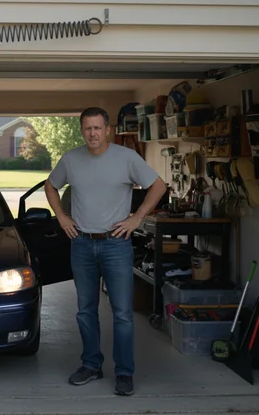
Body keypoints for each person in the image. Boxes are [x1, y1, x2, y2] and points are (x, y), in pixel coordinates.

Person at [44, 107, 166, 397]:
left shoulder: (126, 158)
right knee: (86, 311)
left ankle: (124, 372)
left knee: (122, 313)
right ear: (82, 130)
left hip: (116, 244)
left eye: (98, 128)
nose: (93, 133)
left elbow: (158, 186)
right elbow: (50, 186)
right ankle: (91, 365)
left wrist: (136, 218)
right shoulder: (71, 159)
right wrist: (61, 216)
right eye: (87, 128)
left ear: (108, 129)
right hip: (82, 243)